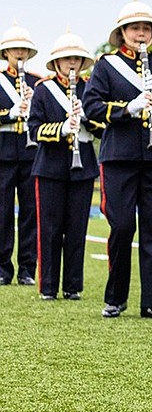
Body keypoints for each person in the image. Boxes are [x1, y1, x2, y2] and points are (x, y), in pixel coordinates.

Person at [83, 0, 152, 320]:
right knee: (121, 226)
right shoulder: (106, 65)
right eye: (135, 28)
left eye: (146, 28)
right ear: (122, 33)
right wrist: (128, 108)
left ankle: (151, 302)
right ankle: (115, 296)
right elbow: (92, 107)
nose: (141, 34)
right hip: (119, 156)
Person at [27, 31, 101, 301]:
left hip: (83, 167)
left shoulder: (89, 88)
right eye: (66, 59)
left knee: (77, 228)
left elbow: (102, 127)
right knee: (49, 229)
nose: (72, 64)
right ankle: (48, 286)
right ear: (56, 63)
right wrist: (62, 128)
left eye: (76, 59)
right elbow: (34, 129)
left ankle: (72, 285)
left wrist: (85, 120)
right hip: (50, 167)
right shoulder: (44, 90)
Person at [0, 23, 41, 287]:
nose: (20, 53)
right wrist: (10, 114)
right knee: (2, 212)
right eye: (15, 49)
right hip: (2, 152)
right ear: (6, 53)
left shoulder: (37, 82)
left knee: (30, 212)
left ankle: (28, 267)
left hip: (30, 153)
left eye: (24, 49)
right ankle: (3, 268)